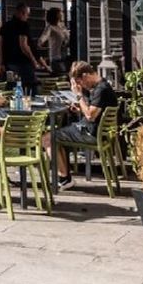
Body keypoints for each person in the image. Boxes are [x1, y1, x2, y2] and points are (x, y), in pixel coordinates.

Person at [49, 61, 119, 189]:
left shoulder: (101, 90)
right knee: (58, 133)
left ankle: (64, 179)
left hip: (91, 133)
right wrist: (80, 108)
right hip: (96, 131)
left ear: (86, 76)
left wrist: (79, 96)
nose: (82, 86)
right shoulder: (102, 87)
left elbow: (90, 116)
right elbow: (94, 112)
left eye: (80, 82)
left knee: (48, 138)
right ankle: (65, 176)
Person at [0, 3, 45, 93]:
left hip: (9, 63)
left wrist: (1, 63)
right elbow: (24, 45)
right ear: (22, 13)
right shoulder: (23, 25)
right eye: (27, 14)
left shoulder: (4, 26)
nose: (27, 17)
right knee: (31, 88)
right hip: (23, 63)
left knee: (13, 88)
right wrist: (34, 60)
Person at [38, 7, 70, 72]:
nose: (62, 14)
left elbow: (67, 38)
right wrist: (40, 42)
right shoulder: (50, 27)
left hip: (66, 57)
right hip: (57, 59)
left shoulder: (62, 26)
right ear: (56, 15)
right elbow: (44, 37)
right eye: (60, 12)